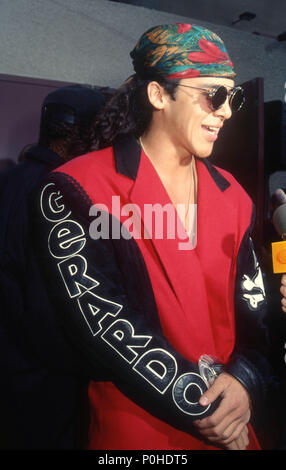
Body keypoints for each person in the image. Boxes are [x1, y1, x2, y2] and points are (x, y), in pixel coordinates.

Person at [30, 24, 273, 450]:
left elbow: (255, 309)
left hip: (234, 423)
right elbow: (102, 325)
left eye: (233, 98)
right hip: (142, 430)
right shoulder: (76, 189)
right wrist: (203, 408)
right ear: (159, 95)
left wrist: (246, 380)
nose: (228, 112)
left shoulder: (234, 195)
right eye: (213, 95)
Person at [0, 84, 107, 449]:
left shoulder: (7, 180)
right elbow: (52, 314)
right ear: (85, 134)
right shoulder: (62, 195)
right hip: (45, 388)